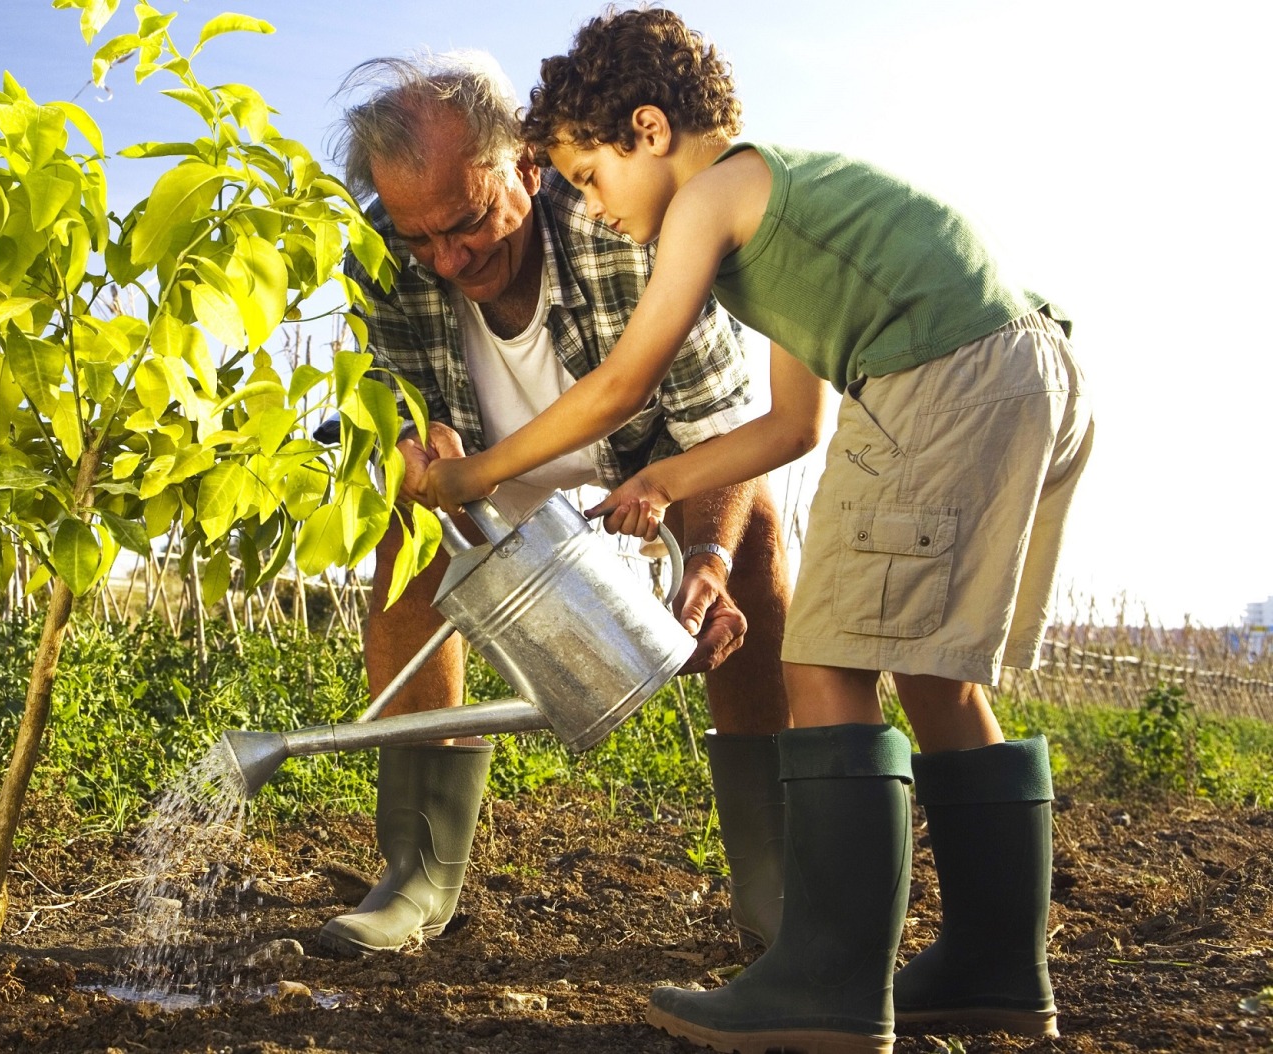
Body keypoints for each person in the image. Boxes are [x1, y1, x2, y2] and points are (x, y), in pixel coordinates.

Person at [419, 9, 1093, 1052]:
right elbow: (794, 423)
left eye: (588, 178)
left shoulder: (713, 196)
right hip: (1019, 365)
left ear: (649, 130)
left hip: (940, 379)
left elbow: (619, 383)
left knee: (821, 662)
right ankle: (996, 964)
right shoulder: (783, 214)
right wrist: (668, 480)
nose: (591, 212)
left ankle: (823, 983)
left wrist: (473, 470)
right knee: (936, 679)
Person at [324, 51, 793, 959]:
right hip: (486, 463)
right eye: (423, 239)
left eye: (467, 224)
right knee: (404, 536)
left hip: (654, 445)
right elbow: (393, 417)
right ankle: (418, 875)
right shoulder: (383, 258)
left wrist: (707, 562)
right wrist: (413, 459)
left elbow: (720, 425)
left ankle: (777, 883)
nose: (449, 260)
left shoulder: (625, 222)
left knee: (754, 544)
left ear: (526, 169)